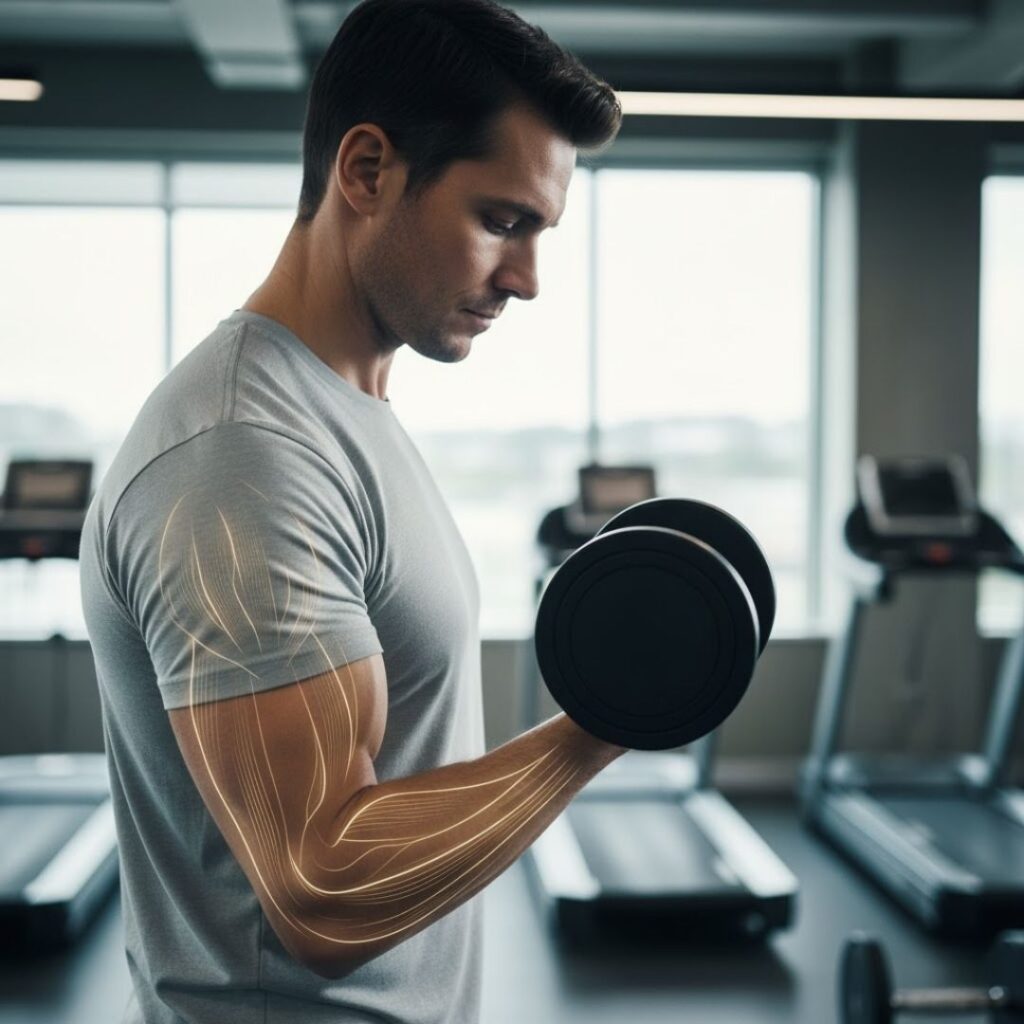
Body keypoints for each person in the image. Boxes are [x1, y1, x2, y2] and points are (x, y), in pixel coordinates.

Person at [79, 1, 623, 1021]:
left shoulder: (346, 410)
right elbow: (320, 889)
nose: (528, 279)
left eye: (539, 232)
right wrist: (600, 726)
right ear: (366, 171)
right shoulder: (241, 458)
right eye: (500, 220)